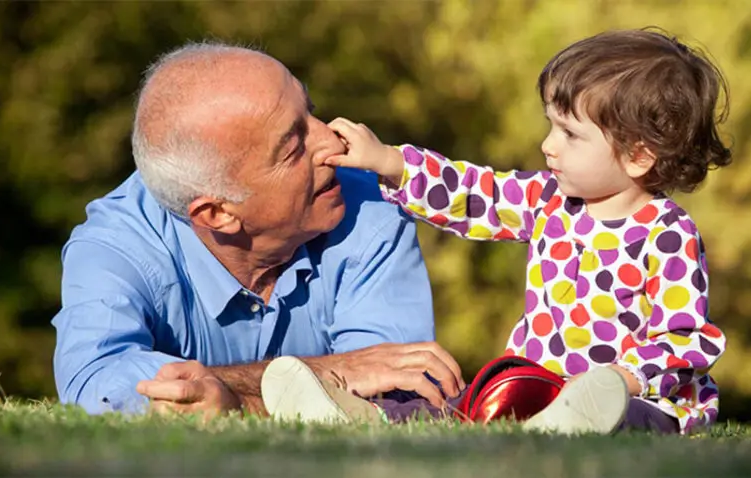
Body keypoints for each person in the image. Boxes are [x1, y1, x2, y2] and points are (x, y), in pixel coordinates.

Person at [267, 27, 732, 436]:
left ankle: (580, 420)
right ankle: (351, 413)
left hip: (641, 401)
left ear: (638, 155)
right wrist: (391, 163)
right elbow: (475, 195)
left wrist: (621, 380)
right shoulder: (550, 201)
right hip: (535, 388)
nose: (547, 146)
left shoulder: (667, 234)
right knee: (455, 405)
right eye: (551, 126)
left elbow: (685, 339)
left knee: (626, 419)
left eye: (570, 134)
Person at [50, 42, 467, 419]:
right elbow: (98, 388)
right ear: (217, 213)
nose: (335, 144)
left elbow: (399, 395)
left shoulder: (372, 204)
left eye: (312, 111)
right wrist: (326, 373)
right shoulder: (116, 245)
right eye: (292, 148)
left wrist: (232, 397)